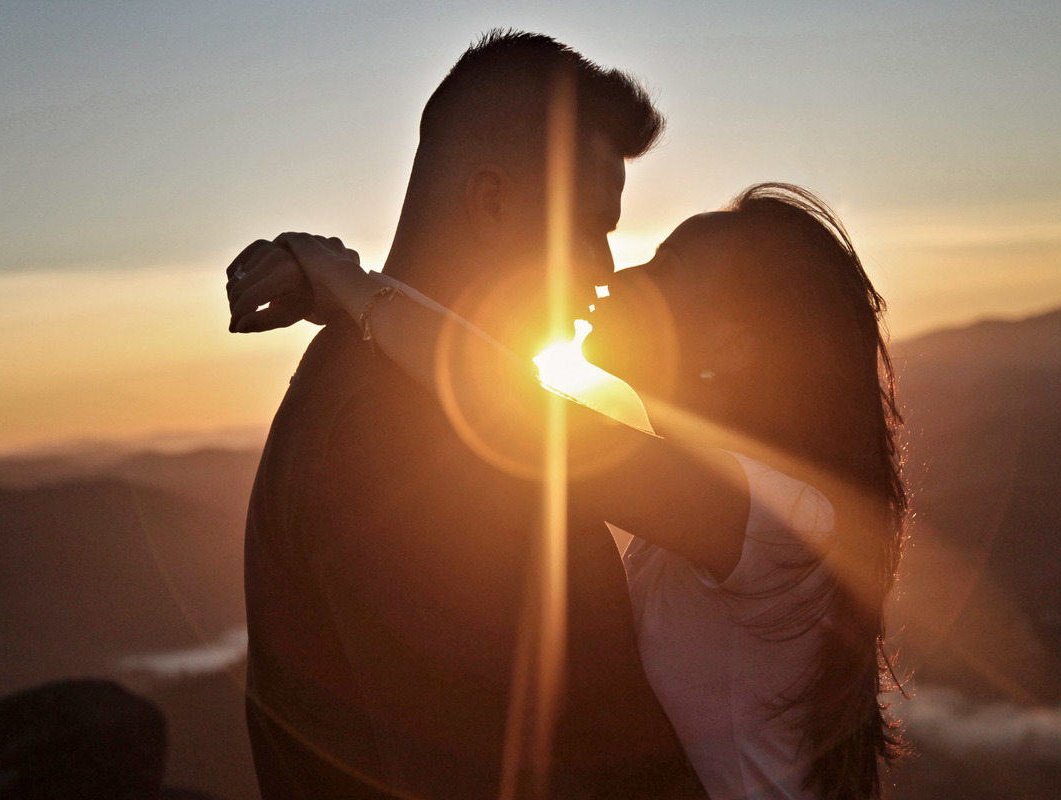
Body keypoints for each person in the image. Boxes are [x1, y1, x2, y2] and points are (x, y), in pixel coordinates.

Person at [229, 183, 907, 800]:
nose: (621, 276)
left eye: (665, 269)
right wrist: (350, 290)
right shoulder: (726, 505)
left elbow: (517, 413)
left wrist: (349, 282)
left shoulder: (785, 515)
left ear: (731, 345)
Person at [227, 30, 707, 800]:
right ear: (492, 202)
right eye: (591, 226)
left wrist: (343, 279)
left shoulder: (411, 393)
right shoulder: (401, 435)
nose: (605, 268)